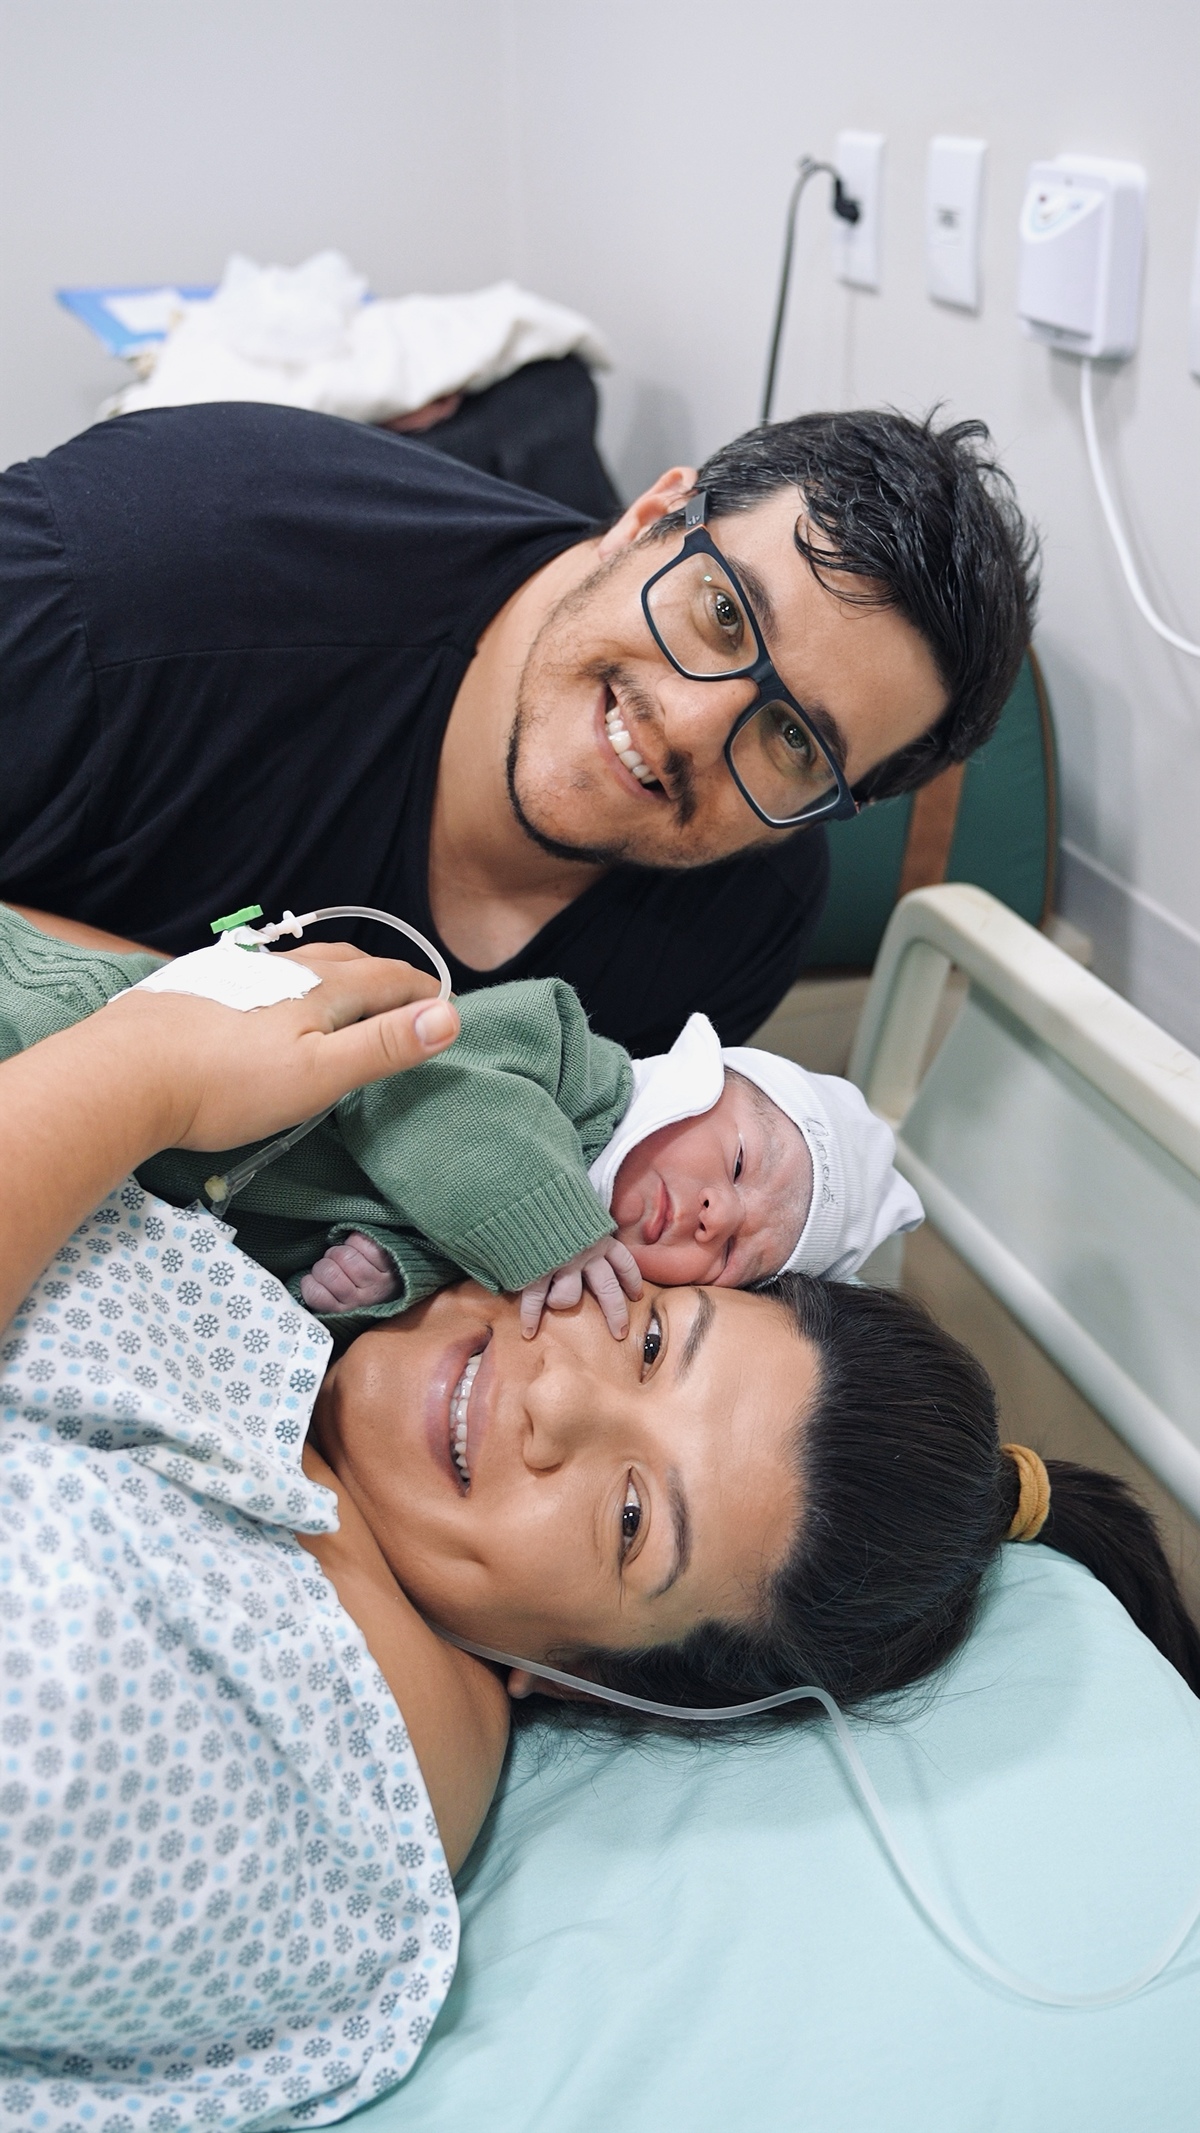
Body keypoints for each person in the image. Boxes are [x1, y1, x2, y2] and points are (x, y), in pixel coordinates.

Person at [4, 949, 1196, 2133]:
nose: (558, 1400)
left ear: (587, 1677)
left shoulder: (271, 1761)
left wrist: (142, 1078)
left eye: (631, 1521)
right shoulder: (298, 1374)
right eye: (650, 1340)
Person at [0, 399, 1038, 1054]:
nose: (688, 722)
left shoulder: (739, 920)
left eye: (794, 740)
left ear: (835, 806)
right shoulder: (140, 571)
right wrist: (185, 1023)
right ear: (650, 520)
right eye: (723, 613)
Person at [0, 904, 921, 1339]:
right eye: (741, 1162)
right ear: (697, 1082)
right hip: (104, 1034)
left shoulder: (558, 1269)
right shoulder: (565, 1053)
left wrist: (385, 1272)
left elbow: (417, 1239)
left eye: (737, 1255)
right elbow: (415, 1097)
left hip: (123, 1191)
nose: (717, 1215)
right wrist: (554, 1234)